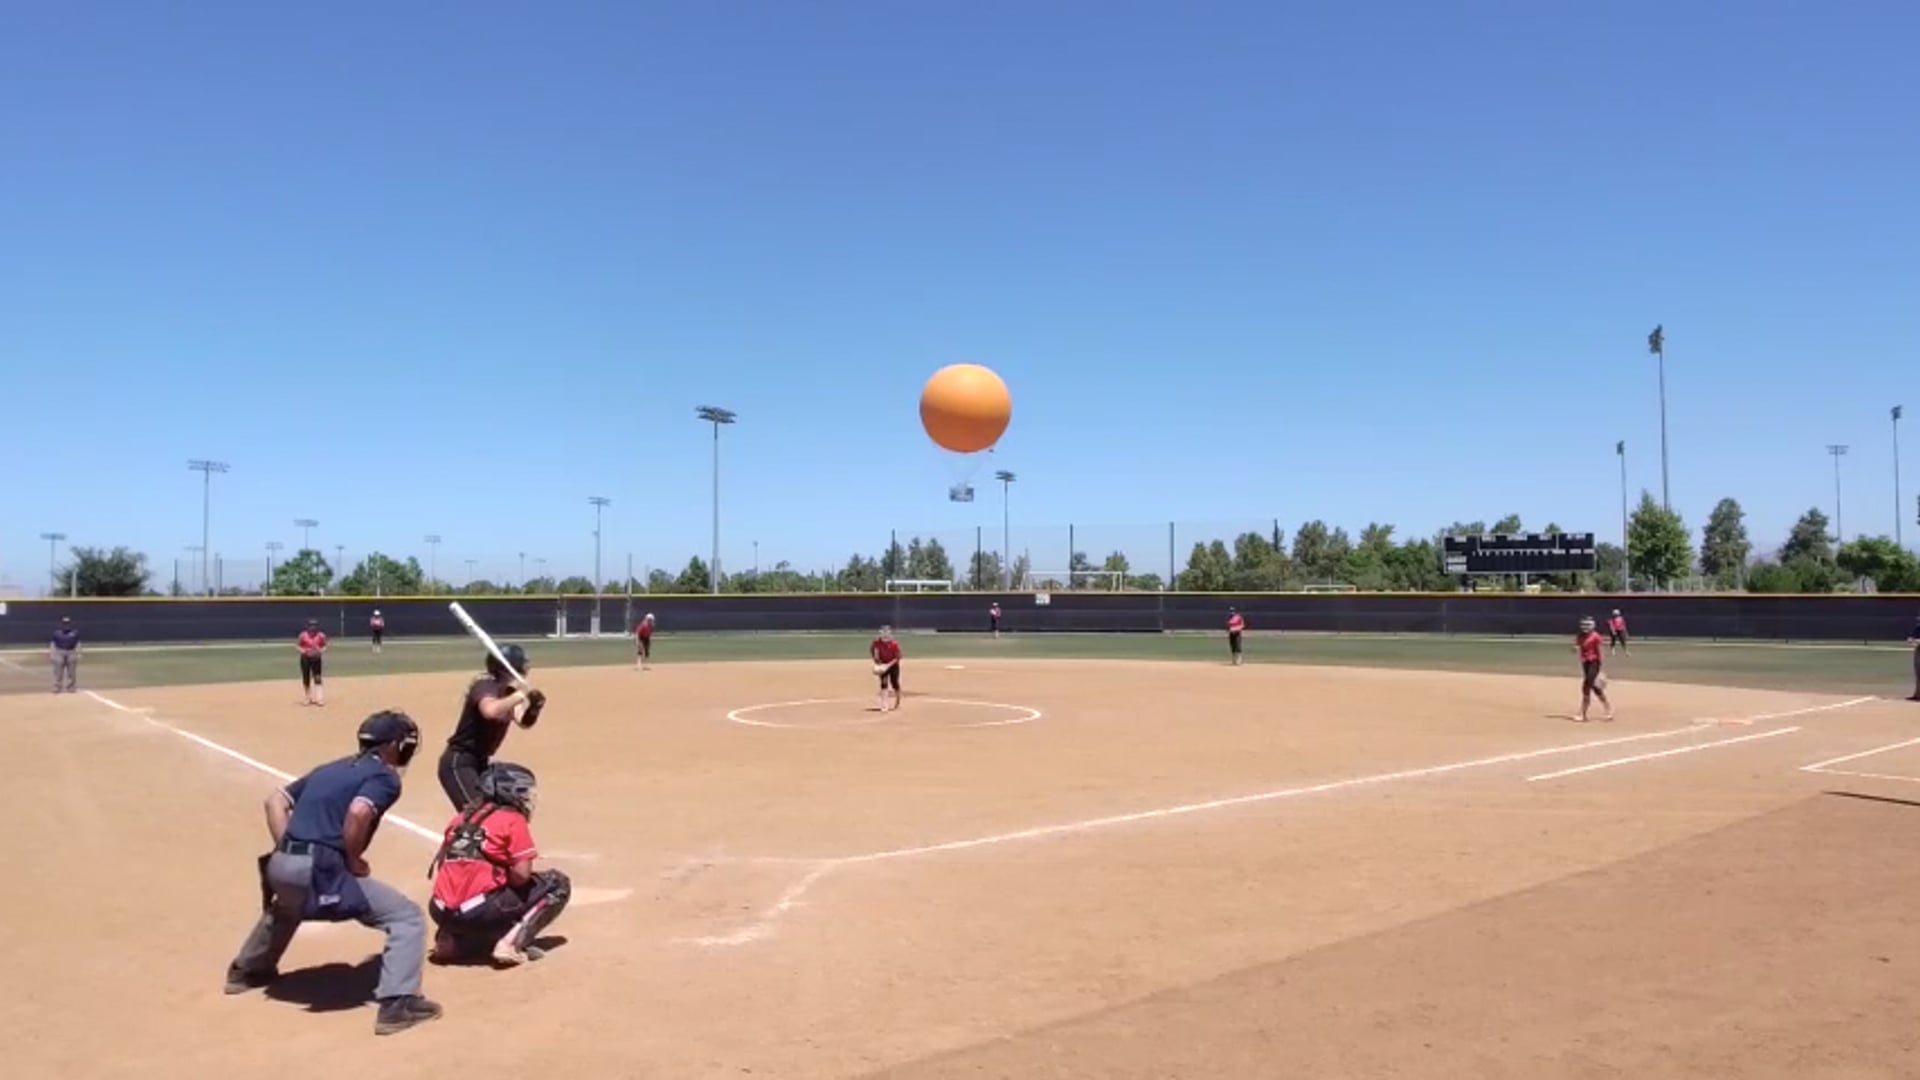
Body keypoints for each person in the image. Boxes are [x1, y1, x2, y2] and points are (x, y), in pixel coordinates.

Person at [224, 710, 443, 1036]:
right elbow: (358, 812)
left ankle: (246, 971)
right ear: (392, 746)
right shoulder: (384, 777)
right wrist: (352, 860)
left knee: (288, 905)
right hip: (319, 866)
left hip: (280, 864)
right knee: (405, 917)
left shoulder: (331, 768)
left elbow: (274, 802)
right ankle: (398, 1004)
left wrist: (290, 852)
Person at [428, 762, 571, 967]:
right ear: (507, 791)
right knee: (557, 883)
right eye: (522, 791)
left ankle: (448, 939)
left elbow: (442, 865)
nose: (525, 797)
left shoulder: (460, 819)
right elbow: (521, 876)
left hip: (439, 911)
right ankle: (510, 944)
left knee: (463, 887)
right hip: (479, 913)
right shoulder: (512, 819)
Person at [437, 644, 546, 811]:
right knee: (477, 814)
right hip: (459, 762)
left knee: (491, 814)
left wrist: (534, 708)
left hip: (481, 762)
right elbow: (490, 711)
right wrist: (520, 695)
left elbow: (523, 722)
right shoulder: (485, 685)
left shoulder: (508, 692)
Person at [1575, 616, 1614, 722]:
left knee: (1586, 686)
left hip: (1594, 662)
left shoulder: (1596, 636)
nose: (1585, 627)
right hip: (1585, 663)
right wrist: (1575, 648)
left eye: (1587, 625)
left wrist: (1599, 668)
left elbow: (1600, 651)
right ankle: (1608, 709)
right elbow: (1578, 646)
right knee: (1595, 688)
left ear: (1592, 625)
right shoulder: (1580, 636)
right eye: (1583, 625)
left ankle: (1582, 713)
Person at [297, 618, 328, 706]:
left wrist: (321, 651)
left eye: (314, 625)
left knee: (317, 677)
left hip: (316, 658)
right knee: (306, 677)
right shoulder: (303, 635)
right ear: (308, 626)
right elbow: (298, 646)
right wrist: (303, 651)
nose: (313, 627)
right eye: (311, 625)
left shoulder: (321, 635)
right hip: (305, 658)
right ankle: (308, 698)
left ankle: (319, 698)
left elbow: (325, 646)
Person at [871, 626, 902, 712]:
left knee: (894, 683)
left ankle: (898, 700)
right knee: (883, 683)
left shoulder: (894, 644)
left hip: (893, 664)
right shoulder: (877, 642)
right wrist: (878, 663)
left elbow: (898, 657)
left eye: (885, 633)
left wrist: (888, 665)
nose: (884, 635)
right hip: (883, 664)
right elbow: (875, 653)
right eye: (882, 633)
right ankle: (884, 704)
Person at [49, 616, 80, 693]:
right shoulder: (57, 633)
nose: (66, 625)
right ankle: (57, 687)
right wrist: (52, 654)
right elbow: (53, 644)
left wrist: (78, 653)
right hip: (59, 651)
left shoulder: (74, 633)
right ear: (62, 624)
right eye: (64, 623)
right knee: (58, 670)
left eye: (67, 623)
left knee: (71, 671)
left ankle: (71, 687)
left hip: (71, 651)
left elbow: (78, 643)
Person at [1907, 611, 1920, 702]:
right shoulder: (1918, 628)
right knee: (1918, 673)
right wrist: (1912, 641)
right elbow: (1910, 638)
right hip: (1918, 651)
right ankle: (1917, 695)